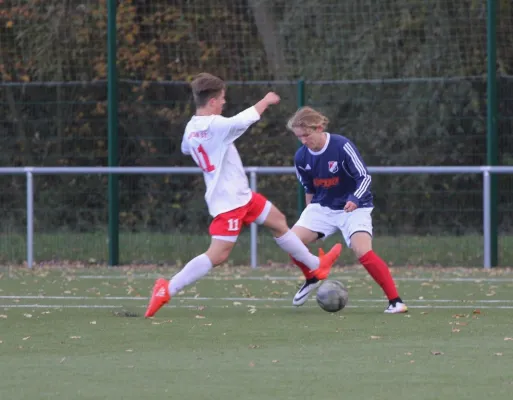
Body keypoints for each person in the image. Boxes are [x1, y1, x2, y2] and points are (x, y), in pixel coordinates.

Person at [145, 73, 342, 318]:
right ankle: (167, 289)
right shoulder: (214, 126)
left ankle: (314, 267)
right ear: (214, 101)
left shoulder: (192, 128)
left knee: (279, 222)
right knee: (218, 255)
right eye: (223, 99)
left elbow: (187, 148)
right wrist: (267, 100)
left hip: (242, 196)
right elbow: (241, 121)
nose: (225, 103)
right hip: (229, 202)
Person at [286, 106, 408, 314]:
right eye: (299, 137)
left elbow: (364, 177)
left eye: (307, 135)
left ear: (319, 127)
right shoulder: (301, 157)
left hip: (355, 207)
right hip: (322, 207)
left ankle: (395, 301)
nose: (304, 141)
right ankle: (312, 277)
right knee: (290, 242)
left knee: (362, 250)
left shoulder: (341, 146)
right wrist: (309, 215)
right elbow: (309, 188)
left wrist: (355, 198)